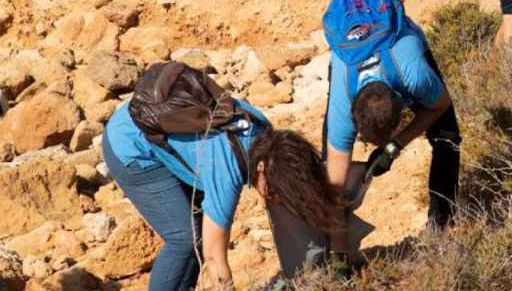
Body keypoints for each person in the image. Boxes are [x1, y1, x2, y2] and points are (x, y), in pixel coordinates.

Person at [102, 67, 347, 291]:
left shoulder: (264, 131)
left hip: (167, 137)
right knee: (185, 238)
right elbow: (214, 259)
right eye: (272, 191)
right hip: (130, 148)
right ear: (260, 167)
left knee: (195, 231)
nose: (271, 198)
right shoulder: (225, 171)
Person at [323, 0, 461, 238]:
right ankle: (330, 242)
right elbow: (336, 188)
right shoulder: (342, 103)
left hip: (400, 40)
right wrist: (339, 256)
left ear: (403, 103)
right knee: (332, 165)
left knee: (447, 137)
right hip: (349, 51)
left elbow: (438, 105)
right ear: (353, 117)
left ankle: (441, 224)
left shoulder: (414, 76)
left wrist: (394, 146)